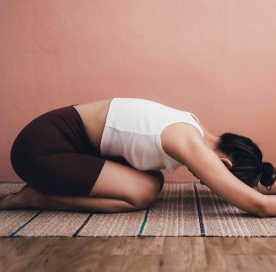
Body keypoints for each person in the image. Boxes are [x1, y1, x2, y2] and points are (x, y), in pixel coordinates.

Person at [1, 97, 275, 217]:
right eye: (212, 183)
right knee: (141, 192)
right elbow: (259, 206)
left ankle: (43, 190)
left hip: (63, 145)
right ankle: (35, 197)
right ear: (224, 164)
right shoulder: (188, 142)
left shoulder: (192, 126)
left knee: (152, 180)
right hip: (41, 150)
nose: (205, 183)